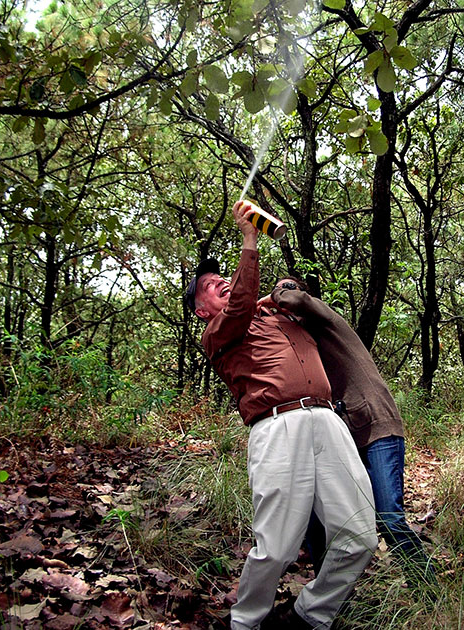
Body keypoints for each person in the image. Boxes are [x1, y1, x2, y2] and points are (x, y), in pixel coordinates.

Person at [185, 200, 378, 630]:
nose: (223, 284)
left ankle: (311, 614)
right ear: (202, 311)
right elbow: (241, 304)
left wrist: (288, 289)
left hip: (328, 420)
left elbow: (302, 308)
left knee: (361, 535)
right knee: (275, 546)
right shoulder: (216, 332)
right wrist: (249, 239)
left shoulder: (274, 315)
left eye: (225, 279)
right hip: (277, 426)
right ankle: (245, 623)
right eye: (213, 286)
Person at [267, 277, 436, 584]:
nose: (284, 300)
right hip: (350, 439)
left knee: (389, 518)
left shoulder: (326, 317)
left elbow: (295, 300)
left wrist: (274, 294)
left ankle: (429, 589)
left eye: (290, 287)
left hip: (379, 429)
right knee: (316, 521)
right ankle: (330, 602)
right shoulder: (305, 345)